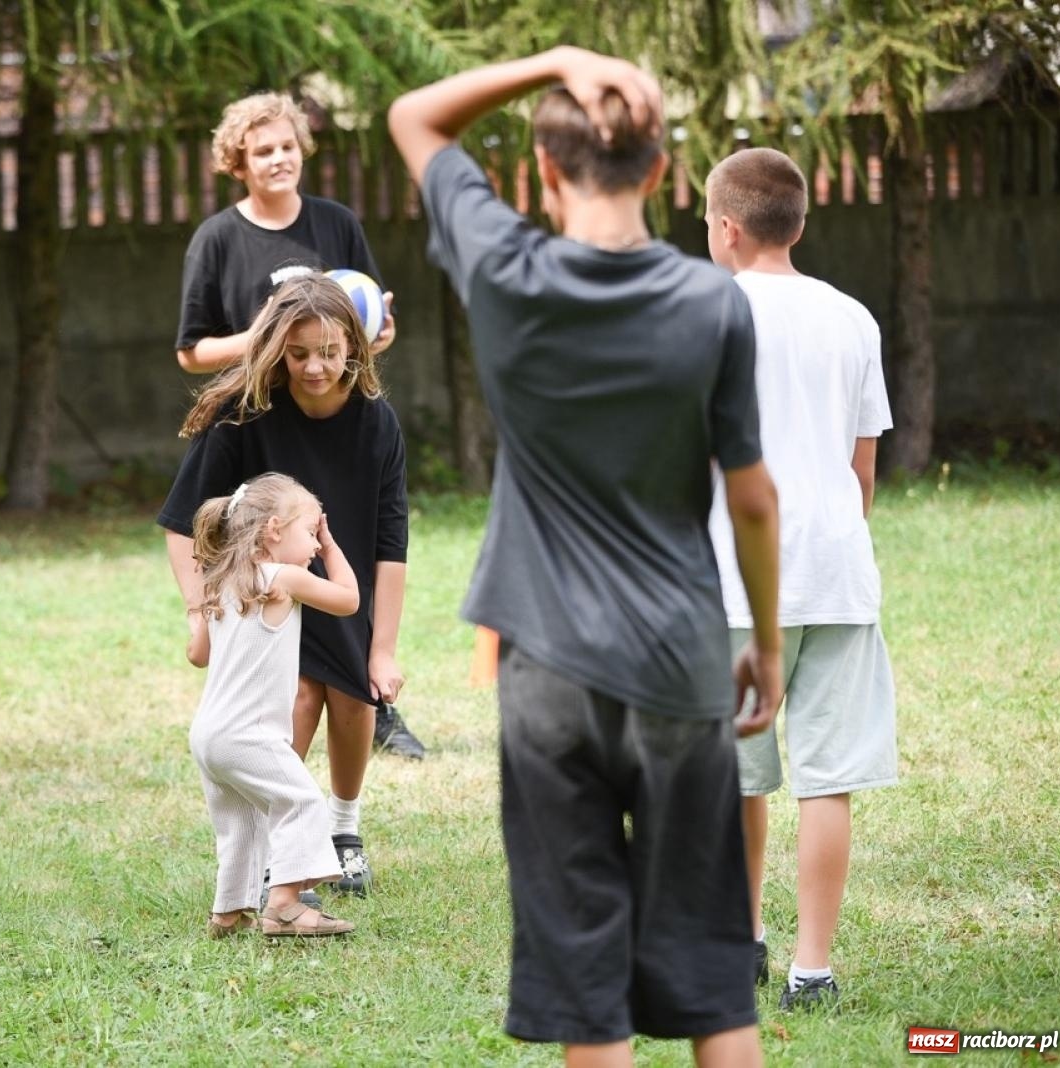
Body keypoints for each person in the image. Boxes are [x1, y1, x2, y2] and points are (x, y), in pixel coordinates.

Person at [389, 47, 784, 1067]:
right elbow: (752, 500)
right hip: (679, 666)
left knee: (582, 976)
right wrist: (767, 646)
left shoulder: (503, 269)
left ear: (543, 172)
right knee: (711, 974)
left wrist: (554, 62)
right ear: (662, 172)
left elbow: (414, 118)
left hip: (547, 672)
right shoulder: (714, 303)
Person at [174, 91, 425, 761]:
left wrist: (372, 334)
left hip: (331, 418)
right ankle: (264, 742)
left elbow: (364, 324)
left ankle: (373, 701)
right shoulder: (217, 239)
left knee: (346, 566)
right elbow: (191, 351)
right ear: (238, 162)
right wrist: (269, 338)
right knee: (283, 622)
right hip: (264, 425)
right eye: (263, 150)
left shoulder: (336, 223)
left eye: (288, 146)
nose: (279, 159)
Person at [704, 147, 898, 1012]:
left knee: (735, 774)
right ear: (801, 223)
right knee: (828, 779)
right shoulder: (854, 318)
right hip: (837, 572)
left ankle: (741, 937)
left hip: (736, 579)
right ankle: (811, 970)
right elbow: (863, 470)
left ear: (727, 228)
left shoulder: (703, 316)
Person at [160, 274, 407, 900]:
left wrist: (383, 650)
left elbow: (391, 543)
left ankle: (344, 830)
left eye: (329, 352)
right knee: (293, 701)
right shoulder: (244, 413)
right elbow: (181, 523)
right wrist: (198, 612)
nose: (315, 367)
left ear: (354, 346)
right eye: (298, 354)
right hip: (270, 593)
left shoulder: (378, 423)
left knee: (354, 702)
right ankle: (282, 849)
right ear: (277, 348)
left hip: (342, 584)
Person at [187, 473, 360, 938]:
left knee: (241, 823)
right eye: (311, 532)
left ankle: (227, 913)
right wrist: (333, 548)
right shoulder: (283, 577)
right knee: (302, 803)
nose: (315, 544)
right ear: (274, 530)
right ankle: (284, 906)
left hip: (208, 735)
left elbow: (197, 655)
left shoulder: (223, 583)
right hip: (249, 734)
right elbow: (348, 601)